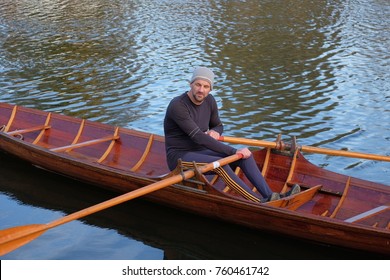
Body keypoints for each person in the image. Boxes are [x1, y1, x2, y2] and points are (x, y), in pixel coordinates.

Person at [163, 66, 300, 202]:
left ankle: (270, 196)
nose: (201, 90)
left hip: (202, 151)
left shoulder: (210, 100)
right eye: (198, 85)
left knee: (244, 157)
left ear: (210, 89)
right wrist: (234, 150)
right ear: (190, 84)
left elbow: (218, 125)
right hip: (179, 157)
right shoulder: (178, 106)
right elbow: (198, 137)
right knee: (220, 164)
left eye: (206, 86)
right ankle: (258, 202)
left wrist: (215, 132)